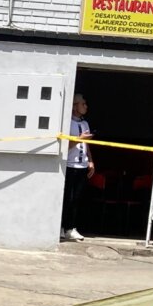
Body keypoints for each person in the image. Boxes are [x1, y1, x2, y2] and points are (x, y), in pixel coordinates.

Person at [61, 93, 96, 242]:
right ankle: (62, 227)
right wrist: (78, 139)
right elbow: (65, 145)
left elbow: (86, 144)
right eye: (83, 104)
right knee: (67, 198)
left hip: (82, 165)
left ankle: (71, 228)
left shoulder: (85, 123)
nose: (85, 106)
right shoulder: (67, 123)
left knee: (76, 199)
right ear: (75, 106)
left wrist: (91, 161)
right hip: (70, 165)